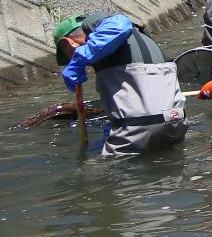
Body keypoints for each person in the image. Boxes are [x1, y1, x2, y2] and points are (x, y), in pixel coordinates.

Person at [54, 13, 186, 156]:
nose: (71, 60)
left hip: (135, 131)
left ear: (67, 43)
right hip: (177, 125)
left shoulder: (94, 23)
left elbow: (120, 24)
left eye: (68, 56)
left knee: (93, 168)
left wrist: (78, 59)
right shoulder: (144, 38)